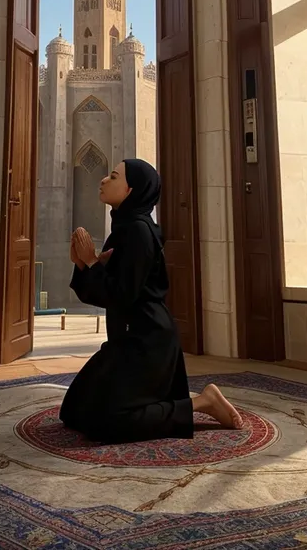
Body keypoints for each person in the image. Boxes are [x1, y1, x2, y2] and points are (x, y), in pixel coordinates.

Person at [59, 158, 243, 444]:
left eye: (113, 176)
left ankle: (201, 402)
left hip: (147, 341)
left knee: (106, 423)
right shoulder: (124, 228)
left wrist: (92, 263)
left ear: (131, 190)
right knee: (74, 410)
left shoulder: (138, 232)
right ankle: (170, 403)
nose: (103, 180)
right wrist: (84, 266)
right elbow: (102, 293)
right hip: (127, 340)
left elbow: (121, 295)